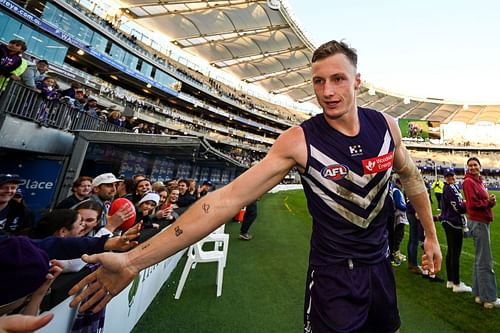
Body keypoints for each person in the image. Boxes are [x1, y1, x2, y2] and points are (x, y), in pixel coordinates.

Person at [69, 40, 442, 332]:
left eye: (338, 79)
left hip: (379, 267)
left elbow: (410, 177)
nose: (327, 91)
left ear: (358, 81)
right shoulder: (299, 141)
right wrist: (133, 261)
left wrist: (429, 235)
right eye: (318, 81)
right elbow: (224, 201)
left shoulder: (387, 128)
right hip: (333, 277)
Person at [462, 157, 499, 308]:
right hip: (478, 222)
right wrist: (488, 203)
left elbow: (478, 201)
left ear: (480, 166)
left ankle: (478, 294)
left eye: (475, 165)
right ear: (467, 168)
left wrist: (490, 201)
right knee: (485, 260)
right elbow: (473, 204)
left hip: (480, 221)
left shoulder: (478, 181)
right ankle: (488, 298)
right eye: (470, 165)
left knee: (480, 258)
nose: (472, 167)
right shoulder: (469, 182)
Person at [439, 171, 471, 293]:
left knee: (451, 252)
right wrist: (467, 206)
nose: (451, 178)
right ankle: (457, 283)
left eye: (452, 176)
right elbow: (457, 206)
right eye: (448, 176)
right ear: (445, 178)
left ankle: (451, 281)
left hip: (448, 221)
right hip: (453, 222)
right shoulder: (450, 188)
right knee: (455, 253)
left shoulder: (450, 187)